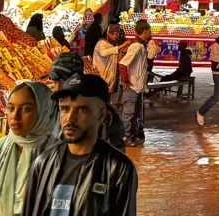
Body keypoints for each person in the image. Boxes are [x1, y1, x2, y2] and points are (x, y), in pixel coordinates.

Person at [23, 74, 138, 215]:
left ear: (102, 115)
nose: (69, 118)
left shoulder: (118, 168)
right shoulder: (43, 163)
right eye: (65, 109)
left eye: (82, 109)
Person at [0, 82, 57, 216]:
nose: (15, 116)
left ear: (44, 111)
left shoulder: (60, 155)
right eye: (11, 108)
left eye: (26, 109)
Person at [118, 19, 152, 147]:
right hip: (133, 85)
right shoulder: (136, 46)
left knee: (135, 112)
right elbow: (122, 64)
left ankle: (131, 135)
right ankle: (125, 137)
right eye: (149, 31)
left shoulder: (141, 45)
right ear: (145, 31)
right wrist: (126, 81)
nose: (150, 33)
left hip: (138, 86)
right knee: (129, 113)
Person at [93, 24, 131, 94]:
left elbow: (114, 58)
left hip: (109, 80)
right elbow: (104, 53)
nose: (114, 36)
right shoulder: (101, 43)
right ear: (107, 33)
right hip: (100, 78)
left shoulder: (113, 44)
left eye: (116, 34)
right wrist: (122, 45)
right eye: (112, 34)